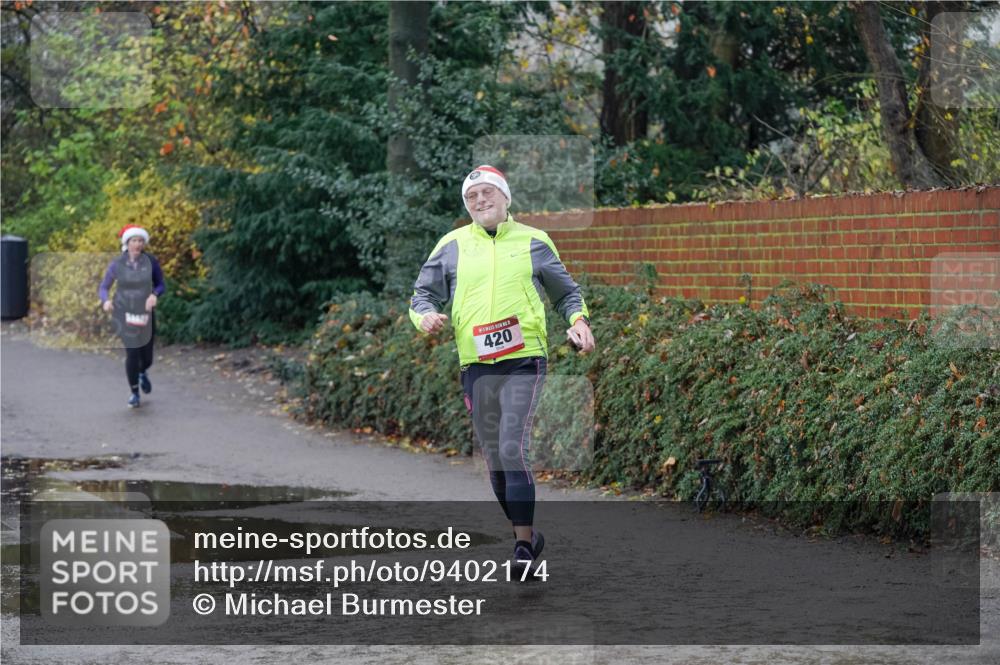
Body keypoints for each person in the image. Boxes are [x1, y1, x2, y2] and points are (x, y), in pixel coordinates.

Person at [408, 165, 595, 571]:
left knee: (512, 446)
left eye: (488, 192)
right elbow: (421, 295)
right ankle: (525, 533)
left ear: (506, 198)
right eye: (471, 197)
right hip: (476, 364)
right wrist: (423, 316)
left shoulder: (534, 241)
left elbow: (566, 293)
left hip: (524, 358)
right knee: (495, 459)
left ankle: (523, 550)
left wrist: (578, 322)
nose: (480, 200)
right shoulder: (452, 244)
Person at [98, 224, 166, 408]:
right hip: (123, 312)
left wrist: (154, 295)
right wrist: (105, 301)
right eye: (134, 240)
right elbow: (104, 286)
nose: (137, 244)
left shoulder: (150, 262)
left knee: (147, 357)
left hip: (145, 313)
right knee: (132, 352)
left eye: (140, 241)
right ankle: (134, 392)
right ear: (127, 243)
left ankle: (143, 372)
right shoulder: (117, 264)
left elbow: (161, 284)